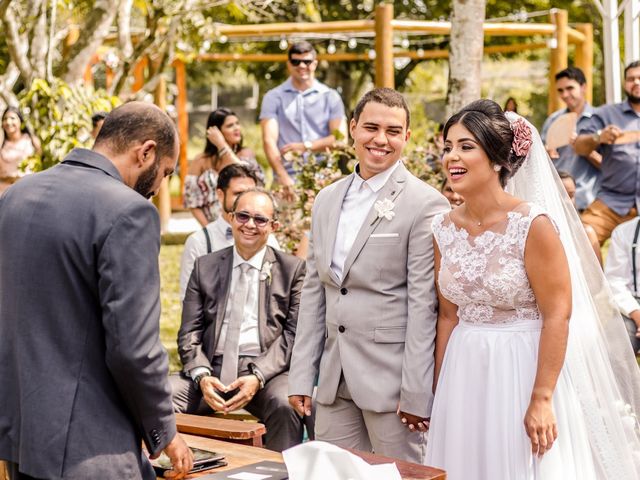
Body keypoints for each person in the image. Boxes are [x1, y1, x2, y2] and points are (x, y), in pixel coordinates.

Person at [425, 99, 640, 479]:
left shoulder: (532, 224)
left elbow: (558, 314)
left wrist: (541, 398)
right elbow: (448, 315)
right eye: (447, 147)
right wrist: (442, 390)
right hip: (464, 368)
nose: (450, 157)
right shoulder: (443, 228)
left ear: (496, 159)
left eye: (465, 146)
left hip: (522, 369)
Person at [0, 102, 193, 479]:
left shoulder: (15, 196)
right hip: (89, 447)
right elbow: (133, 348)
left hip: (20, 436)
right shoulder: (130, 211)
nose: (159, 187)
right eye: (166, 172)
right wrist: (165, 431)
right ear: (146, 151)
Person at [287, 88, 450, 463]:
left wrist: (416, 393)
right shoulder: (326, 199)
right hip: (333, 379)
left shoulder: (425, 204)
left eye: (393, 131)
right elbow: (316, 291)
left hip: (390, 385)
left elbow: (424, 305)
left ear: (407, 137)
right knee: (331, 474)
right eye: (371, 127)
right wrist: (301, 375)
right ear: (352, 128)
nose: (381, 140)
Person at [172, 188, 306, 452]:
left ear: (274, 226)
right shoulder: (205, 267)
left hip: (268, 371)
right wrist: (201, 375)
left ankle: (280, 472)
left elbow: (293, 334)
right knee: (158, 395)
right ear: (231, 218)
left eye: (260, 219)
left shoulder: (291, 270)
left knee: (285, 403)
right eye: (243, 216)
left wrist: (258, 376)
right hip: (212, 367)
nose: (250, 225)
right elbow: (189, 331)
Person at [179, 163, 280, 299]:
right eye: (238, 193)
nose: (245, 200)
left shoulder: (269, 240)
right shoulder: (200, 242)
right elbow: (188, 300)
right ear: (220, 195)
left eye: (250, 193)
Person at [260, 41, 346, 195]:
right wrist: (283, 176)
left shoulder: (331, 97)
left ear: (315, 63)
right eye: (296, 61)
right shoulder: (273, 97)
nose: (301, 65)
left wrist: (305, 146)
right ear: (288, 64)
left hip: (324, 180)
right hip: (286, 182)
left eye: (306, 61)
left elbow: (340, 140)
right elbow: (268, 141)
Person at [574, 60, 640, 244]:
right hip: (612, 201)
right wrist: (599, 137)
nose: (636, 82)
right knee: (582, 239)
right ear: (625, 83)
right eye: (631, 79)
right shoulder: (606, 114)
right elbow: (579, 146)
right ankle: (598, 275)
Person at [185, 107, 261, 227]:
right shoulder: (200, 161)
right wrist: (209, 231)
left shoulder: (246, 154)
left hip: (244, 226)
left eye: (237, 123)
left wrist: (222, 145)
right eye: (230, 125)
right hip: (211, 226)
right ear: (216, 131)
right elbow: (192, 201)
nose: (237, 128)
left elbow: (250, 179)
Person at [541, 67, 600, 211]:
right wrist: (545, 152)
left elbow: (611, 167)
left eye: (570, 88)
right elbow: (540, 161)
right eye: (560, 90)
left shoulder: (600, 119)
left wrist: (584, 147)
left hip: (586, 200)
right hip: (554, 199)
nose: (565, 95)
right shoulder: (553, 120)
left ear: (583, 87)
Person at [604, 216, 640, 353]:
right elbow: (615, 280)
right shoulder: (623, 232)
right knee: (617, 347)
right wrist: (637, 315)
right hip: (633, 304)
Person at [558, 170, 602, 265]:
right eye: (562, 195)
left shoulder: (587, 233)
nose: (568, 201)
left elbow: (599, 276)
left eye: (571, 195)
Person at [0, 106, 41, 194]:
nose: (8, 122)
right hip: (5, 192)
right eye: (5, 119)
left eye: (12, 118)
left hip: (30, 189)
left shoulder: (32, 141)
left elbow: (40, 166)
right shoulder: (1, 146)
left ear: (20, 121)